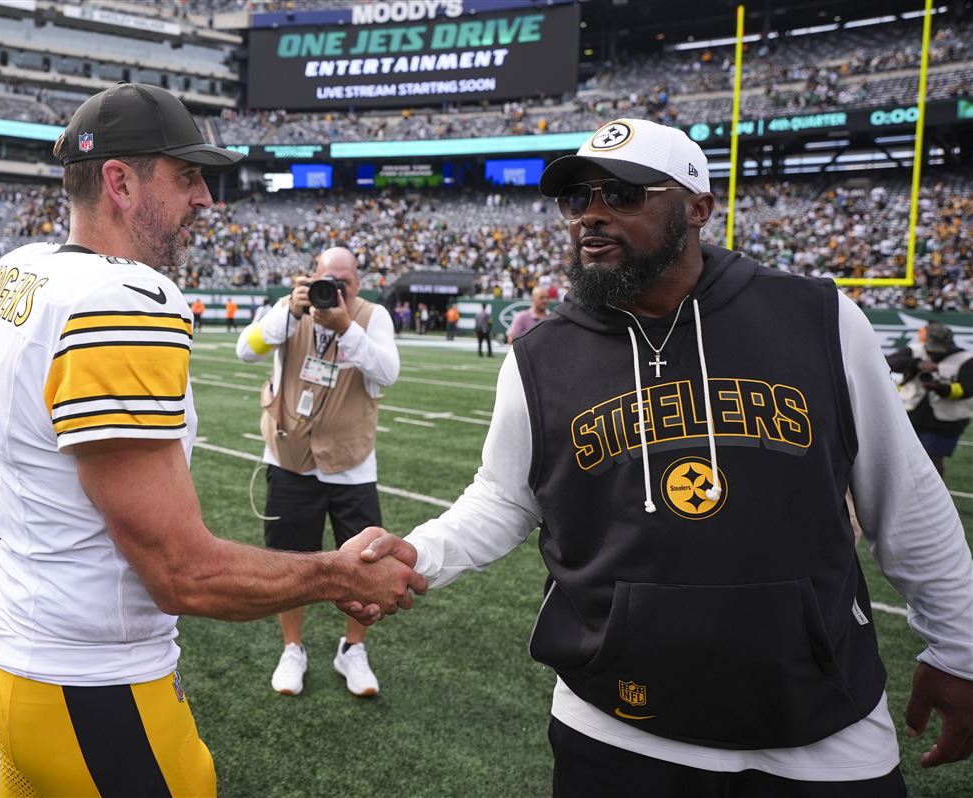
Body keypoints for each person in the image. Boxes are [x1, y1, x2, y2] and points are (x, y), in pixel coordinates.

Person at [346, 118, 973, 797]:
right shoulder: (542, 355)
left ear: (698, 208)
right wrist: (421, 554)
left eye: (622, 193)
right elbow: (505, 497)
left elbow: (906, 496)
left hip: (824, 730)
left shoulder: (818, 319)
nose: (591, 214)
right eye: (577, 197)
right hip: (612, 721)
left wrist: (961, 650)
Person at [0, 83, 424, 795]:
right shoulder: (120, 296)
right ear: (119, 181)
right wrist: (336, 573)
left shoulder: (17, 271)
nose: (204, 198)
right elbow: (181, 571)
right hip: (88, 682)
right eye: (185, 176)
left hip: (7, 652)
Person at [236, 246, 400, 698]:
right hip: (291, 459)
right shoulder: (289, 310)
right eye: (327, 281)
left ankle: (353, 649)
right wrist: (288, 313)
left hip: (351, 464)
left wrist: (346, 329)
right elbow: (245, 351)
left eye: (343, 283)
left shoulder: (372, 317)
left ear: (358, 284)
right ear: (311, 278)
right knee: (290, 562)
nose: (334, 291)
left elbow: (388, 374)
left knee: (366, 566)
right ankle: (293, 648)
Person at [886, 321, 972, 477]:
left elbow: (968, 390)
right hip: (910, 414)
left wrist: (940, 388)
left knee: (933, 461)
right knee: (902, 458)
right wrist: (916, 364)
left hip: (945, 421)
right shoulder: (915, 351)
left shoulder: (965, 359)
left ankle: (934, 496)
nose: (933, 353)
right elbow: (888, 362)